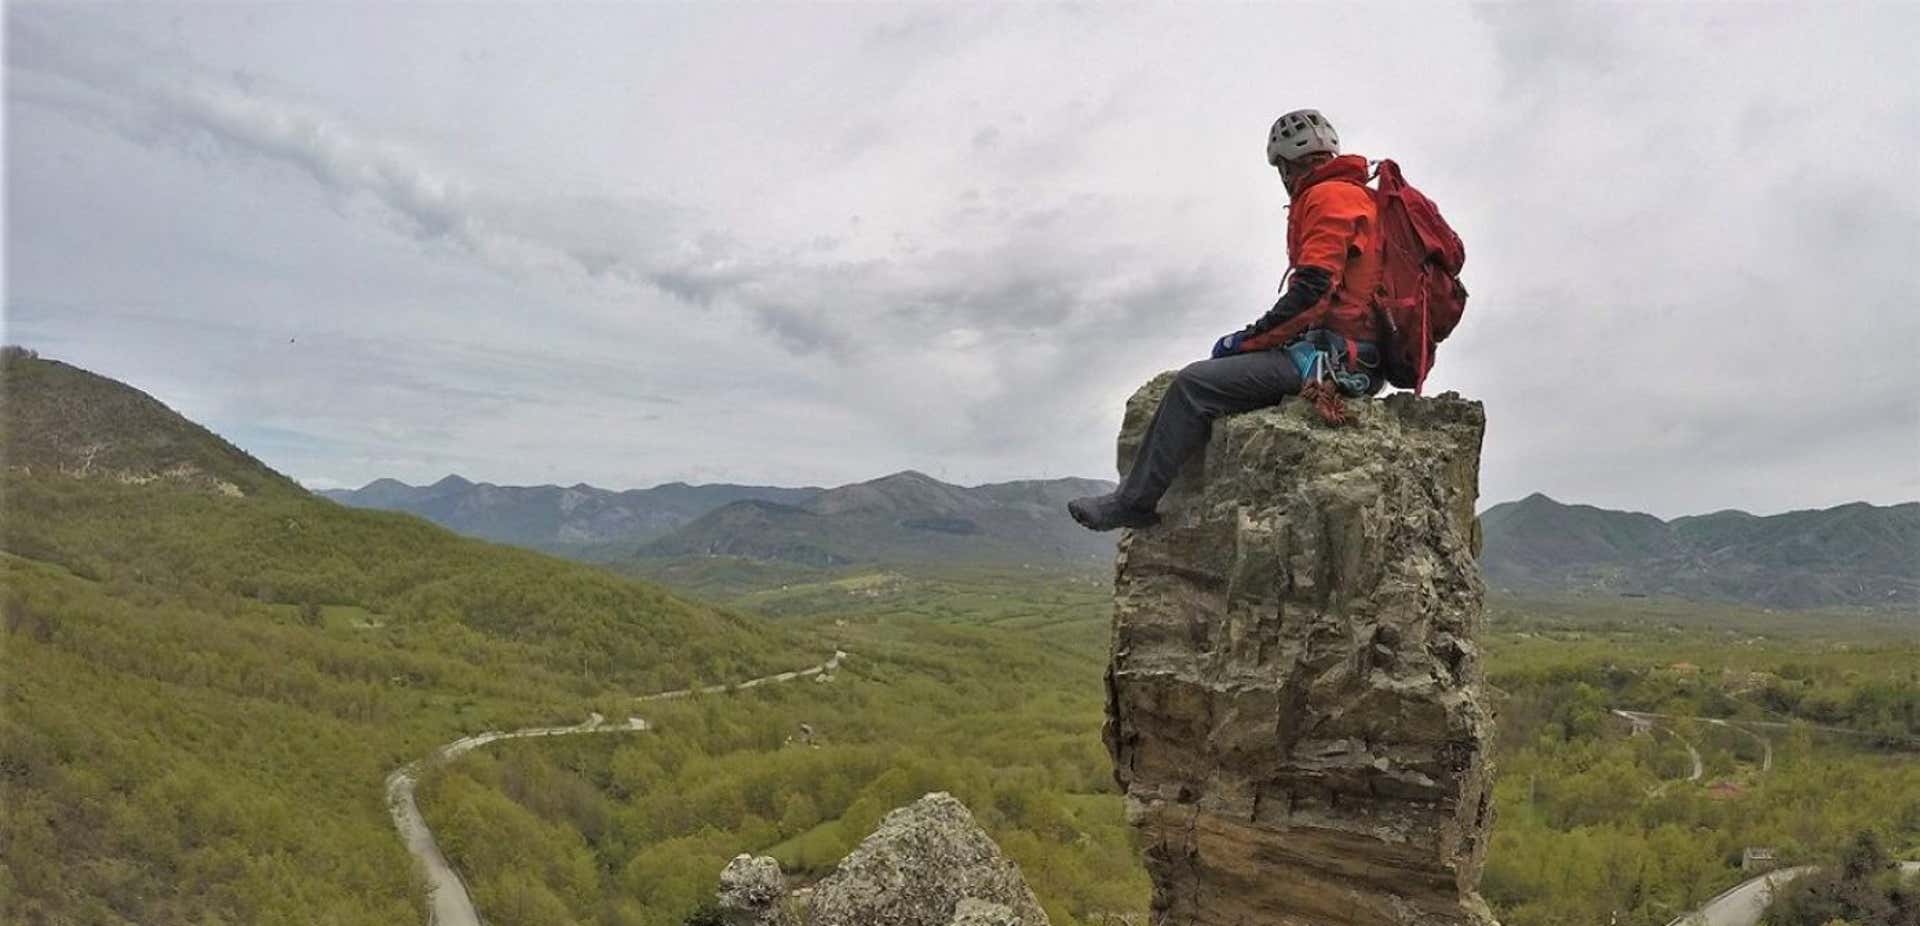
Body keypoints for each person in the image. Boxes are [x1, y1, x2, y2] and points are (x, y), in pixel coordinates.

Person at [1069, 109, 1386, 532]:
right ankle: (1136, 495)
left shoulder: (1327, 198)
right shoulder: (1357, 195)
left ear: (1286, 166)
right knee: (1224, 371)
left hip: (1335, 361)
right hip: (1355, 354)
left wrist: (1246, 341)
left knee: (1193, 384)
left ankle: (1133, 502)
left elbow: (1312, 290)